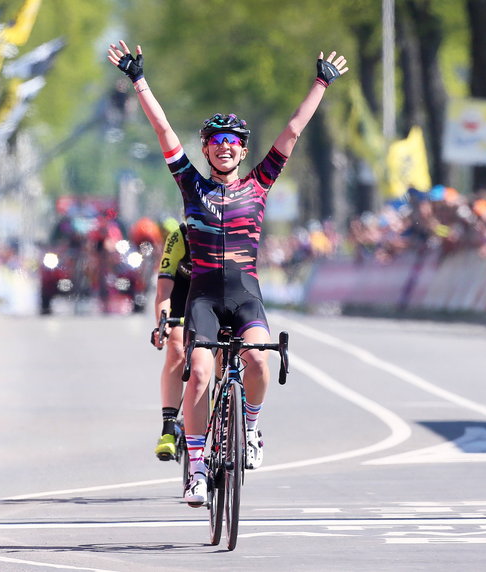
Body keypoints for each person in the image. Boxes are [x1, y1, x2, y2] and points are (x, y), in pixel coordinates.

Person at [108, 40, 348, 506]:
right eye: (215, 143)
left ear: (243, 151)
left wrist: (320, 83)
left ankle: (252, 429)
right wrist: (138, 81)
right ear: (205, 149)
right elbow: (161, 130)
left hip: (244, 295)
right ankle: (196, 470)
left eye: (232, 143)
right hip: (202, 298)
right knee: (198, 375)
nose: (223, 149)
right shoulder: (190, 184)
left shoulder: (259, 185)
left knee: (259, 360)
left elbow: (293, 132)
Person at [151, 221, 191, 460]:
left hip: (216, 298)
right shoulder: (180, 236)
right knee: (176, 349)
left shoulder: (227, 232)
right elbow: (163, 292)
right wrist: (162, 327)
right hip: (182, 298)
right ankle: (168, 426)